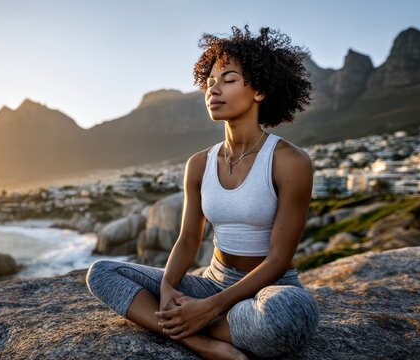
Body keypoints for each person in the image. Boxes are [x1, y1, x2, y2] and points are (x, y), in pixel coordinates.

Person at [85, 25, 320, 360]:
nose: (214, 89)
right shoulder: (198, 163)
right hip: (211, 280)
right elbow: (188, 240)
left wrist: (209, 309)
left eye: (229, 79)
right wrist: (168, 289)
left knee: (289, 315)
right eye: (209, 81)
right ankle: (195, 340)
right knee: (102, 273)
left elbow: (279, 259)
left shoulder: (290, 161)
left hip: (268, 289)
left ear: (260, 91)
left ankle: (188, 324)